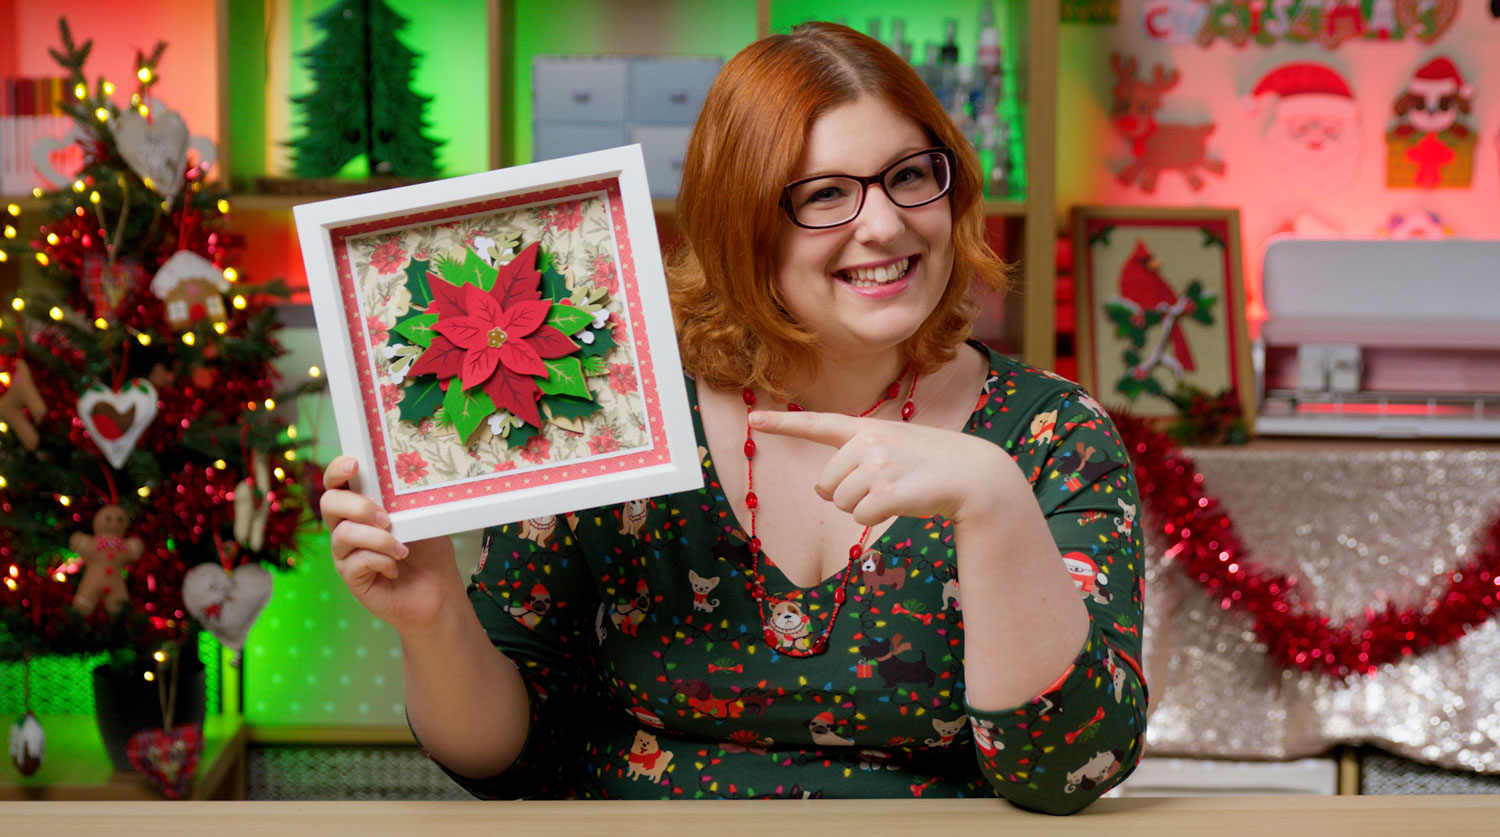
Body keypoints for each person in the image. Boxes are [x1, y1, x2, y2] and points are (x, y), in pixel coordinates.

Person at [320, 22, 1145, 812]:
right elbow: (504, 760)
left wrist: (994, 500)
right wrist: (432, 620)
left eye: (909, 176)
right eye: (825, 195)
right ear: (739, 225)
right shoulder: (615, 418)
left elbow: (1069, 771)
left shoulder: (1049, 436)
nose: (887, 224)